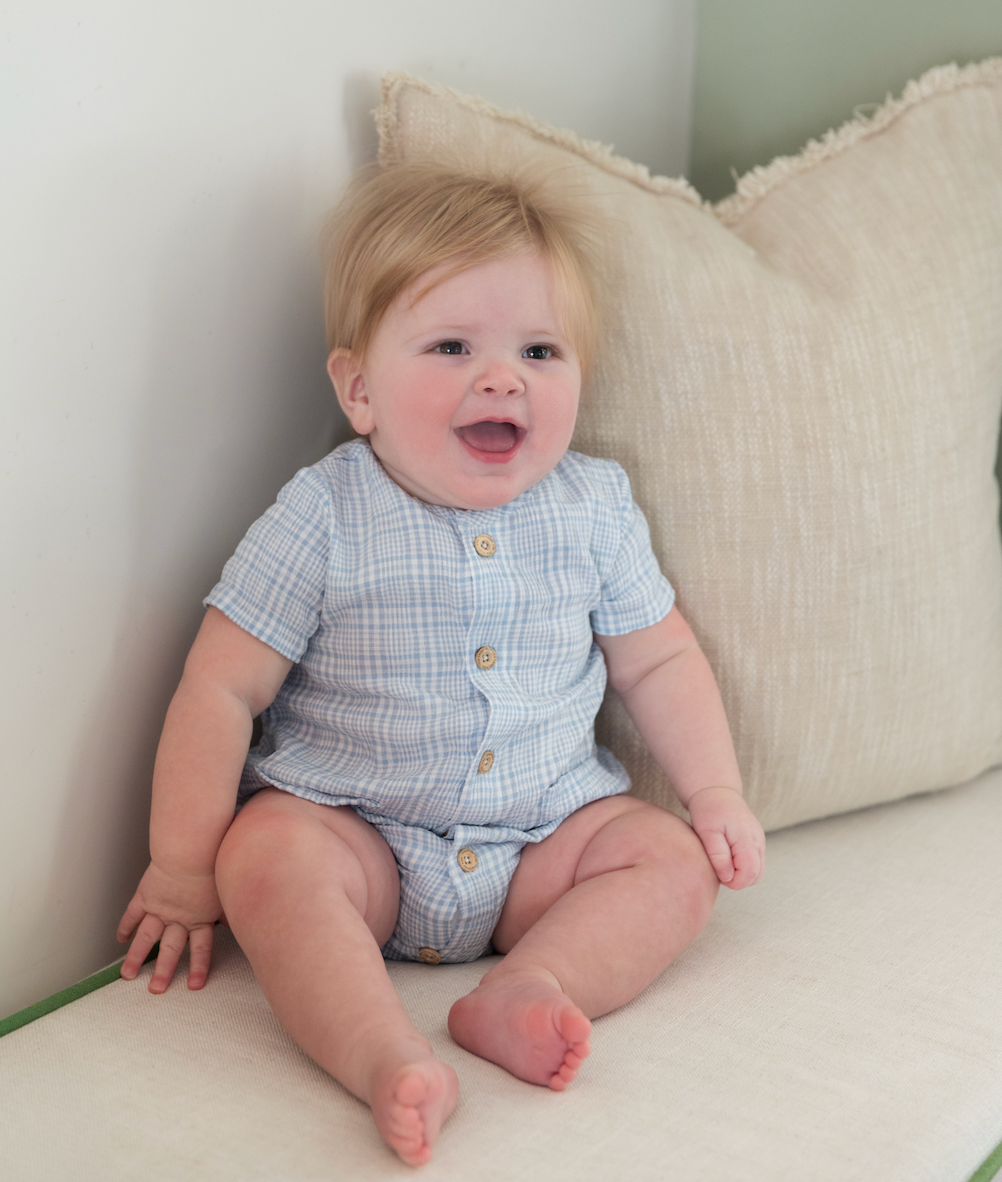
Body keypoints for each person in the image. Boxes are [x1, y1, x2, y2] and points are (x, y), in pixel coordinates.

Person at [117, 163, 766, 1167]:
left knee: (671, 862)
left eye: (539, 351)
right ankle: (381, 1051)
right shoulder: (324, 513)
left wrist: (714, 792)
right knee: (265, 855)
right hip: (357, 840)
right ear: (359, 389)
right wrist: (181, 868)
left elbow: (660, 660)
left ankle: (532, 985)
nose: (503, 378)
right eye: (453, 347)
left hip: (542, 845)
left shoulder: (595, 508)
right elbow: (221, 686)